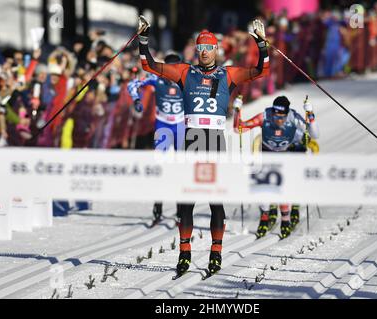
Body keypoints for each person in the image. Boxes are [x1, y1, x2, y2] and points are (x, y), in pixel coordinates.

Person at [137, 16, 270, 277]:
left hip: (215, 142)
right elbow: (149, 65)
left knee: (215, 202)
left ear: (216, 50)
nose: (205, 52)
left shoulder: (228, 73)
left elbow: (261, 71)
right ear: (196, 51)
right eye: (201, 48)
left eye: (209, 48)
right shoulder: (186, 72)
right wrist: (143, 39)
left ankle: (216, 253)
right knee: (185, 201)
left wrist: (261, 44)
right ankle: (184, 253)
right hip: (191, 141)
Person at [233, 95, 320, 238]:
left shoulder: (294, 117)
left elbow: (314, 134)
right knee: (263, 190)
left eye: (282, 115)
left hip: (285, 155)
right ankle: (265, 217)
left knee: (283, 187)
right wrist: (237, 110)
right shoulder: (265, 116)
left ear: (287, 113)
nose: (278, 118)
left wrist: (310, 114)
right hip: (267, 154)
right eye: (276, 114)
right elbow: (239, 129)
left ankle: (285, 220)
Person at [127, 53, 186, 224]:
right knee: (161, 167)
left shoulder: (186, 78)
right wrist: (137, 100)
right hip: (163, 127)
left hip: (180, 127)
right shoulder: (155, 77)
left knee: (180, 169)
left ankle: (181, 211)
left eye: (176, 68)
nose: (172, 72)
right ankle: (158, 208)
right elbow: (133, 84)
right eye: (169, 69)